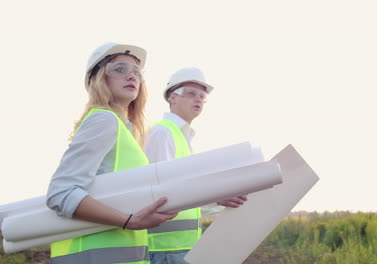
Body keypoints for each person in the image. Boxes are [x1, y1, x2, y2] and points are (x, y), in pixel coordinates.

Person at [46, 42, 178, 264]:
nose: (132, 76)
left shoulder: (125, 131)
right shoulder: (104, 120)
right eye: (120, 69)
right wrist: (129, 221)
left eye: (137, 72)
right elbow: (61, 192)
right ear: (98, 79)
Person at [144, 67, 247, 264]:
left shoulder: (183, 138)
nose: (198, 99)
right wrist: (215, 197)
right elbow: (165, 194)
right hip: (164, 249)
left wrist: (217, 200)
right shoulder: (162, 134)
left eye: (202, 96)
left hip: (180, 247)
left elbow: (187, 200)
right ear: (172, 98)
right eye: (191, 94)